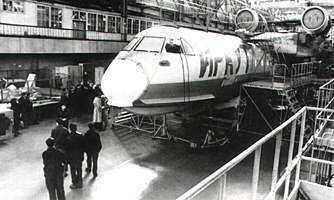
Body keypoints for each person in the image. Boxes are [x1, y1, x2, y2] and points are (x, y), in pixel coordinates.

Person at [66, 123, 85, 189]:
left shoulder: (68, 137)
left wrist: (67, 158)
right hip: (79, 155)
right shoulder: (80, 136)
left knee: (73, 170)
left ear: (70, 129)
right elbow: (83, 146)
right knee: (79, 169)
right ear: (76, 128)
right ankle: (80, 183)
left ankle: (74, 183)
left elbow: (67, 149)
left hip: (71, 157)